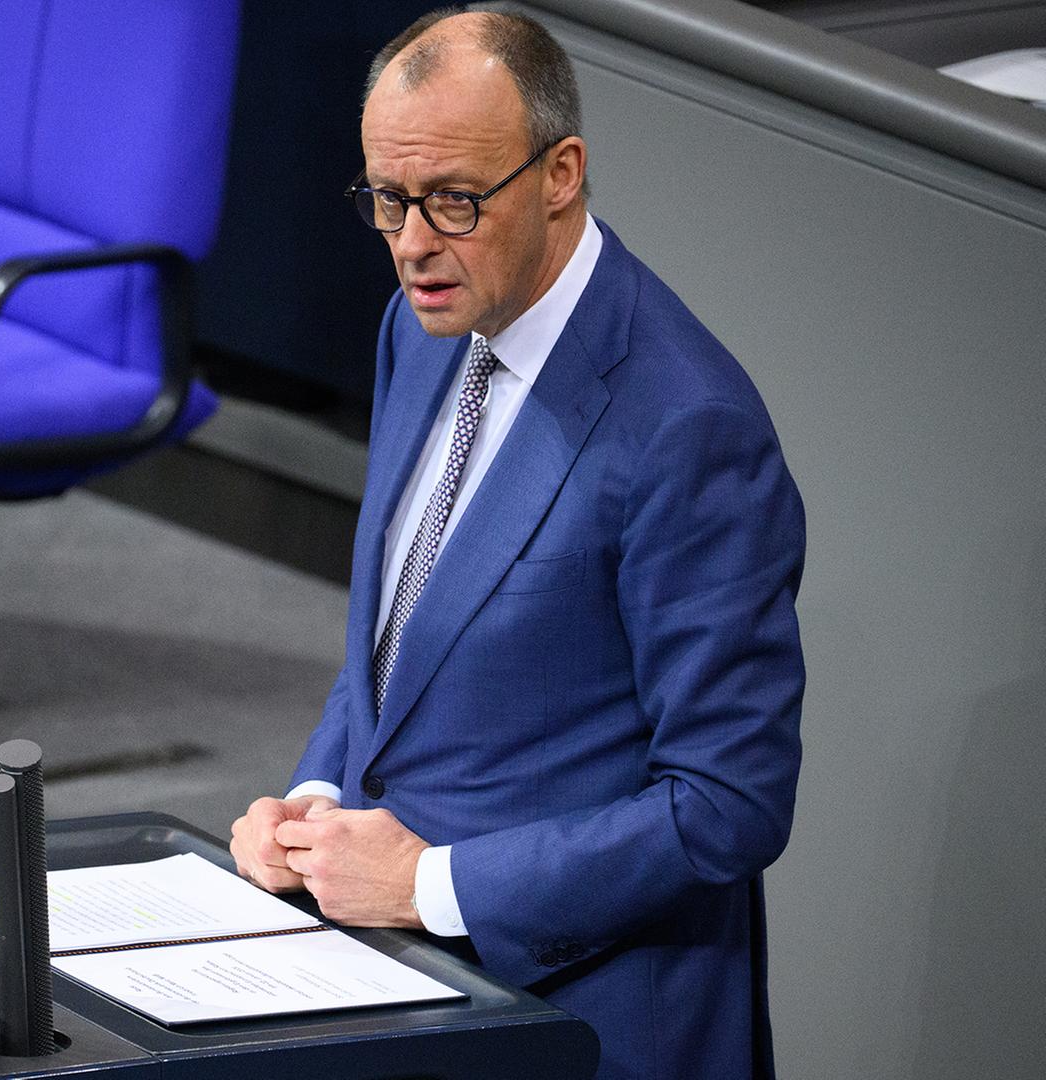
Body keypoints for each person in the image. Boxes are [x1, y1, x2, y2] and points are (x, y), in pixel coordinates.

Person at [229, 9, 805, 1080]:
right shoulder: (423, 323)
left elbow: (729, 804)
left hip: (591, 1027)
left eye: (454, 200)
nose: (411, 244)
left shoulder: (687, 429)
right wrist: (314, 807)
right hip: (402, 991)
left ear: (560, 173)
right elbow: (403, 645)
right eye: (388, 201)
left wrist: (431, 885)